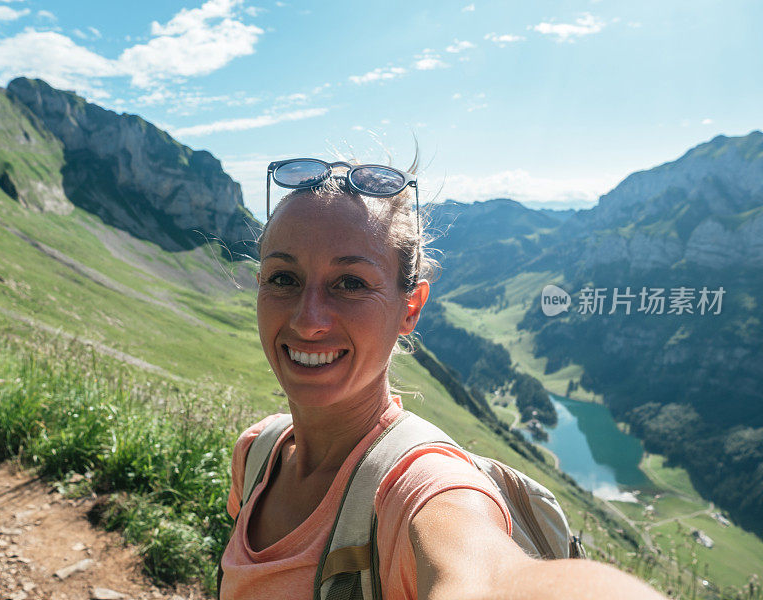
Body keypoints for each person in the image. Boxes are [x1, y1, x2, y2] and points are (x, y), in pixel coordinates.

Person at [219, 157, 664, 600]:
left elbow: (485, 576)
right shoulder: (256, 454)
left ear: (410, 308)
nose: (308, 319)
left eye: (350, 283)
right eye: (283, 278)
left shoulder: (427, 487)